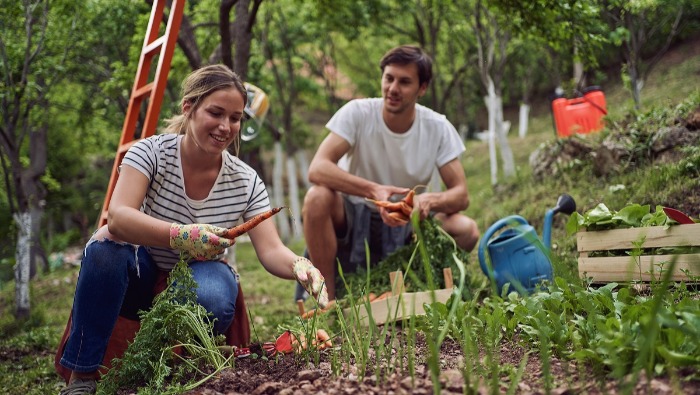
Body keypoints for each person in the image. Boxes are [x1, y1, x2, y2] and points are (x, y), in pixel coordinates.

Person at [57, 64, 328, 395]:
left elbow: (271, 250)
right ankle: (82, 377)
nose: (226, 126)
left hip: (202, 275)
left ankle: (167, 370)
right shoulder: (150, 153)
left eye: (235, 117)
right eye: (216, 113)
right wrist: (180, 235)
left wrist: (300, 266)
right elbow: (119, 216)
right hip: (141, 271)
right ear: (189, 107)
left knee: (213, 293)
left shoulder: (245, 180)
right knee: (102, 252)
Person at [301, 45, 479, 301]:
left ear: (422, 88)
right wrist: (374, 190)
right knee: (316, 197)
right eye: (389, 78)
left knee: (467, 229)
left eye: (405, 82)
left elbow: (461, 194)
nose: (393, 88)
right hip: (352, 215)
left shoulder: (437, 127)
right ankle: (325, 299)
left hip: (407, 223)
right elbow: (317, 168)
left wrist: (427, 200)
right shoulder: (358, 113)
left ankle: (419, 285)